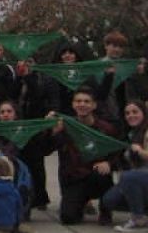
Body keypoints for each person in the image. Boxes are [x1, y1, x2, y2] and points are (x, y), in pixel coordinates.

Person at [47, 86, 119, 225]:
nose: (82, 104)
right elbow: (46, 150)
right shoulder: (65, 127)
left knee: (102, 173)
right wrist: (53, 132)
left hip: (96, 176)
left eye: (87, 101)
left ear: (94, 105)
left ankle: (105, 209)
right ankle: (81, 204)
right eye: (78, 101)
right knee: (68, 218)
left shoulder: (106, 129)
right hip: (75, 179)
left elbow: (117, 154)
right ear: (73, 104)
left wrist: (109, 164)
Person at [100, 100, 148, 231]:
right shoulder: (130, 135)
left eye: (135, 112)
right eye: (127, 113)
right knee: (109, 200)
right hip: (139, 181)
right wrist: (108, 163)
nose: (131, 115)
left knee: (128, 177)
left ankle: (138, 218)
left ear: (144, 113)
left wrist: (141, 151)